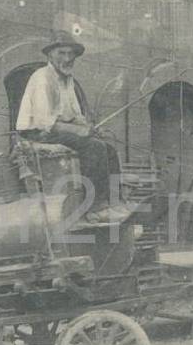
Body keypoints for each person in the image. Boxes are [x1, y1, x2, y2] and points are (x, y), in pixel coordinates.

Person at [15, 30, 126, 223]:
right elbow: (45, 122)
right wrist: (78, 131)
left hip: (58, 131)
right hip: (39, 133)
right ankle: (95, 208)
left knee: (108, 148)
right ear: (50, 55)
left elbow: (75, 115)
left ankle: (115, 202)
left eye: (71, 54)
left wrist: (89, 127)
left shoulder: (68, 80)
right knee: (94, 147)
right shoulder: (42, 78)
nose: (67, 59)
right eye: (62, 53)